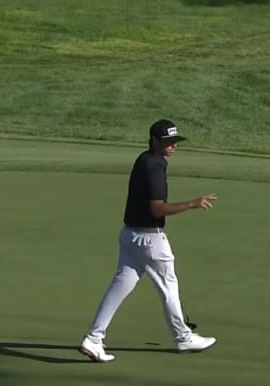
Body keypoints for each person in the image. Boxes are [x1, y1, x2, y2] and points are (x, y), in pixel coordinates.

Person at [79, 119, 218, 362]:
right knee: (169, 287)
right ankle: (183, 337)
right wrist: (193, 204)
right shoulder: (155, 166)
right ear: (155, 141)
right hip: (149, 240)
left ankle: (93, 338)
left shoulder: (144, 159)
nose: (173, 146)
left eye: (175, 142)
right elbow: (157, 209)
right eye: (168, 142)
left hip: (130, 236)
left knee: (119, 288)